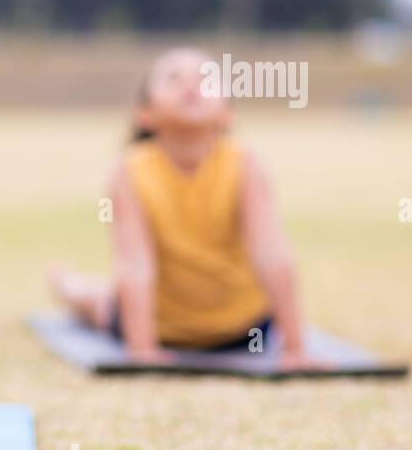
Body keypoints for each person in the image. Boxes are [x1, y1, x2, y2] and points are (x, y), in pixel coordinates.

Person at [50, 47, 324, 370]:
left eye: (205, 79)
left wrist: (294, 348)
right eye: (173, 79)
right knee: (100, 306)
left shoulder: (245, 165)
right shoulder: (129, 172)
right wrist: (142, 349)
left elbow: (271, 251)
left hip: (245, 330)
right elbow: (133, 263)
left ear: (227, 113)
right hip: (160, 327)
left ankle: (76, 286)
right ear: (145, 113)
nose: (190, 86)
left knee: (105, 301)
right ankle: (69, 286)